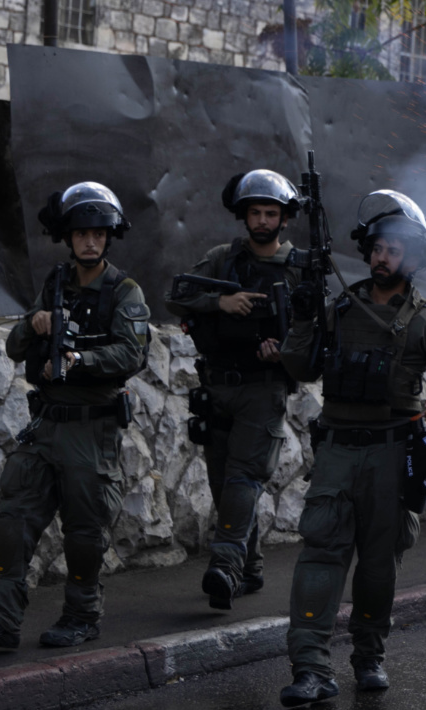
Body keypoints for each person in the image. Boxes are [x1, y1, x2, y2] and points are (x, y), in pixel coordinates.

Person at [278, 190, 426, 706]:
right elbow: (300, 367)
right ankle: (310, 668)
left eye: (393, 250)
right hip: (338, 451)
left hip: (392, 453)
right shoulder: (339, 308)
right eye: (377, 248)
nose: (382, 258)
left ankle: (368, 655)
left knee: (378, 565)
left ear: (412, 258)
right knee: (320, 554)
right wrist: (302, 319)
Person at [0, 182, 150, 649]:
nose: (90, 242)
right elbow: (13, 346)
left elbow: (132, 353)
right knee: (13, 522)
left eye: (98, 234)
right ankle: (2, 620)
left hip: (91, 429)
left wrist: (79, 360)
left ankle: (82, 616)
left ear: (109, 237)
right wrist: (33, 323)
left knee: (84, 533)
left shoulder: (124, 291)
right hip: (46, 425)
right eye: (81, 233)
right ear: (68, 237)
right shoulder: (56, 284)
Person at [165, 170, 302, 609]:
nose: (262, 221)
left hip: (264, 390)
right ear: (244, 216)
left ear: (284, 219)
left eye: (271, 213)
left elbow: (316, 337)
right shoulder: (221, 258)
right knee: (225, 484)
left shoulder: (299, 269)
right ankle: (250, 568)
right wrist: (220, 302)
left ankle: (224, 566)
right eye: (255, 212)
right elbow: (176, 296)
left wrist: (283, 352)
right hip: (218, 386)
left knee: (243, 478)